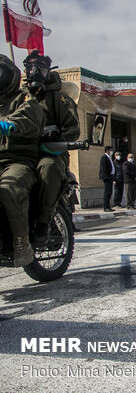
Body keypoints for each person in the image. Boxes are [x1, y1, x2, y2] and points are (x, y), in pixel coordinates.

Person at [22, 50, 80, 247]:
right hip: (22, 154)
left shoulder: (59, 99)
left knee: (48, 168)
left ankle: (44, 222)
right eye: (31, 68)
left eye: (41, 68)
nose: (35, 72)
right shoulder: (20, 98)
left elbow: (73, 129)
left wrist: (56, 137)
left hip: (51, 152)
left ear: (49, 71)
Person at [0, 54, 46, 266]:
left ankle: (21, 241)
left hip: (17, 161)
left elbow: (31, 117)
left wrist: (11, 124)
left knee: (10, 187)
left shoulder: (23, 98)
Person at [99, 146, 115, 212]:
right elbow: (104, 168)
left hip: (110, 176)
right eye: (110, 150)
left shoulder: (109, 157)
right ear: (107, 150)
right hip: (107, 177)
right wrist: (106, 176)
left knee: (109, 192)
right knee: (107, 192)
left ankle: (108, 206)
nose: (111, 152)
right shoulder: (104, 157)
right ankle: (106, 207)